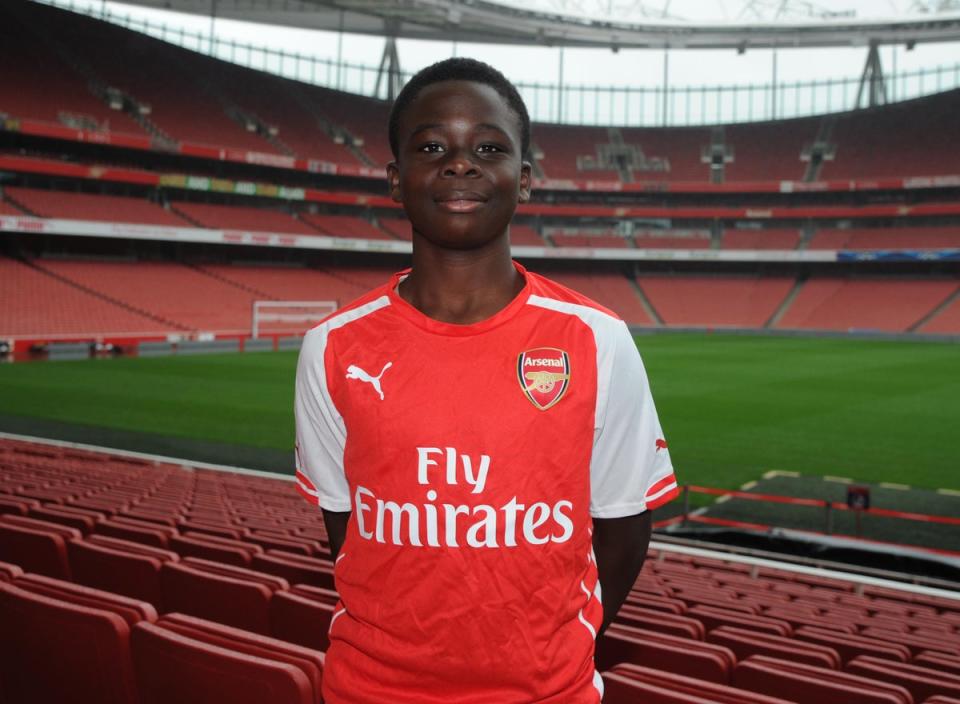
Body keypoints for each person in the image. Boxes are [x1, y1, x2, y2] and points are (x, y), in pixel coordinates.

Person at [294, 57, 678, 704]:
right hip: (370, 690)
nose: (460, 163)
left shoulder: (597, 339)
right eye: (432, 146)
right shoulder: (331, 347)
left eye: (490, 147)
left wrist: (556, 650)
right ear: (395, 179)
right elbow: (346, 525)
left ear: (524, 180)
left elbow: (624, 525)